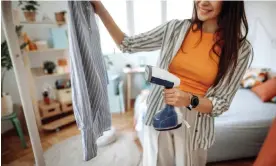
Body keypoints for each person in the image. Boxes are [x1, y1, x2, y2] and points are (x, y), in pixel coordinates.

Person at [91, 0, 253, 165]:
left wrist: (190, 99)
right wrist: (101, 10)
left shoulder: (240, 49)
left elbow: (221, 103)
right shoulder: (175, 29)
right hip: (160, 109)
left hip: (195, 121)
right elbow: (127, 44)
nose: (203, 2)